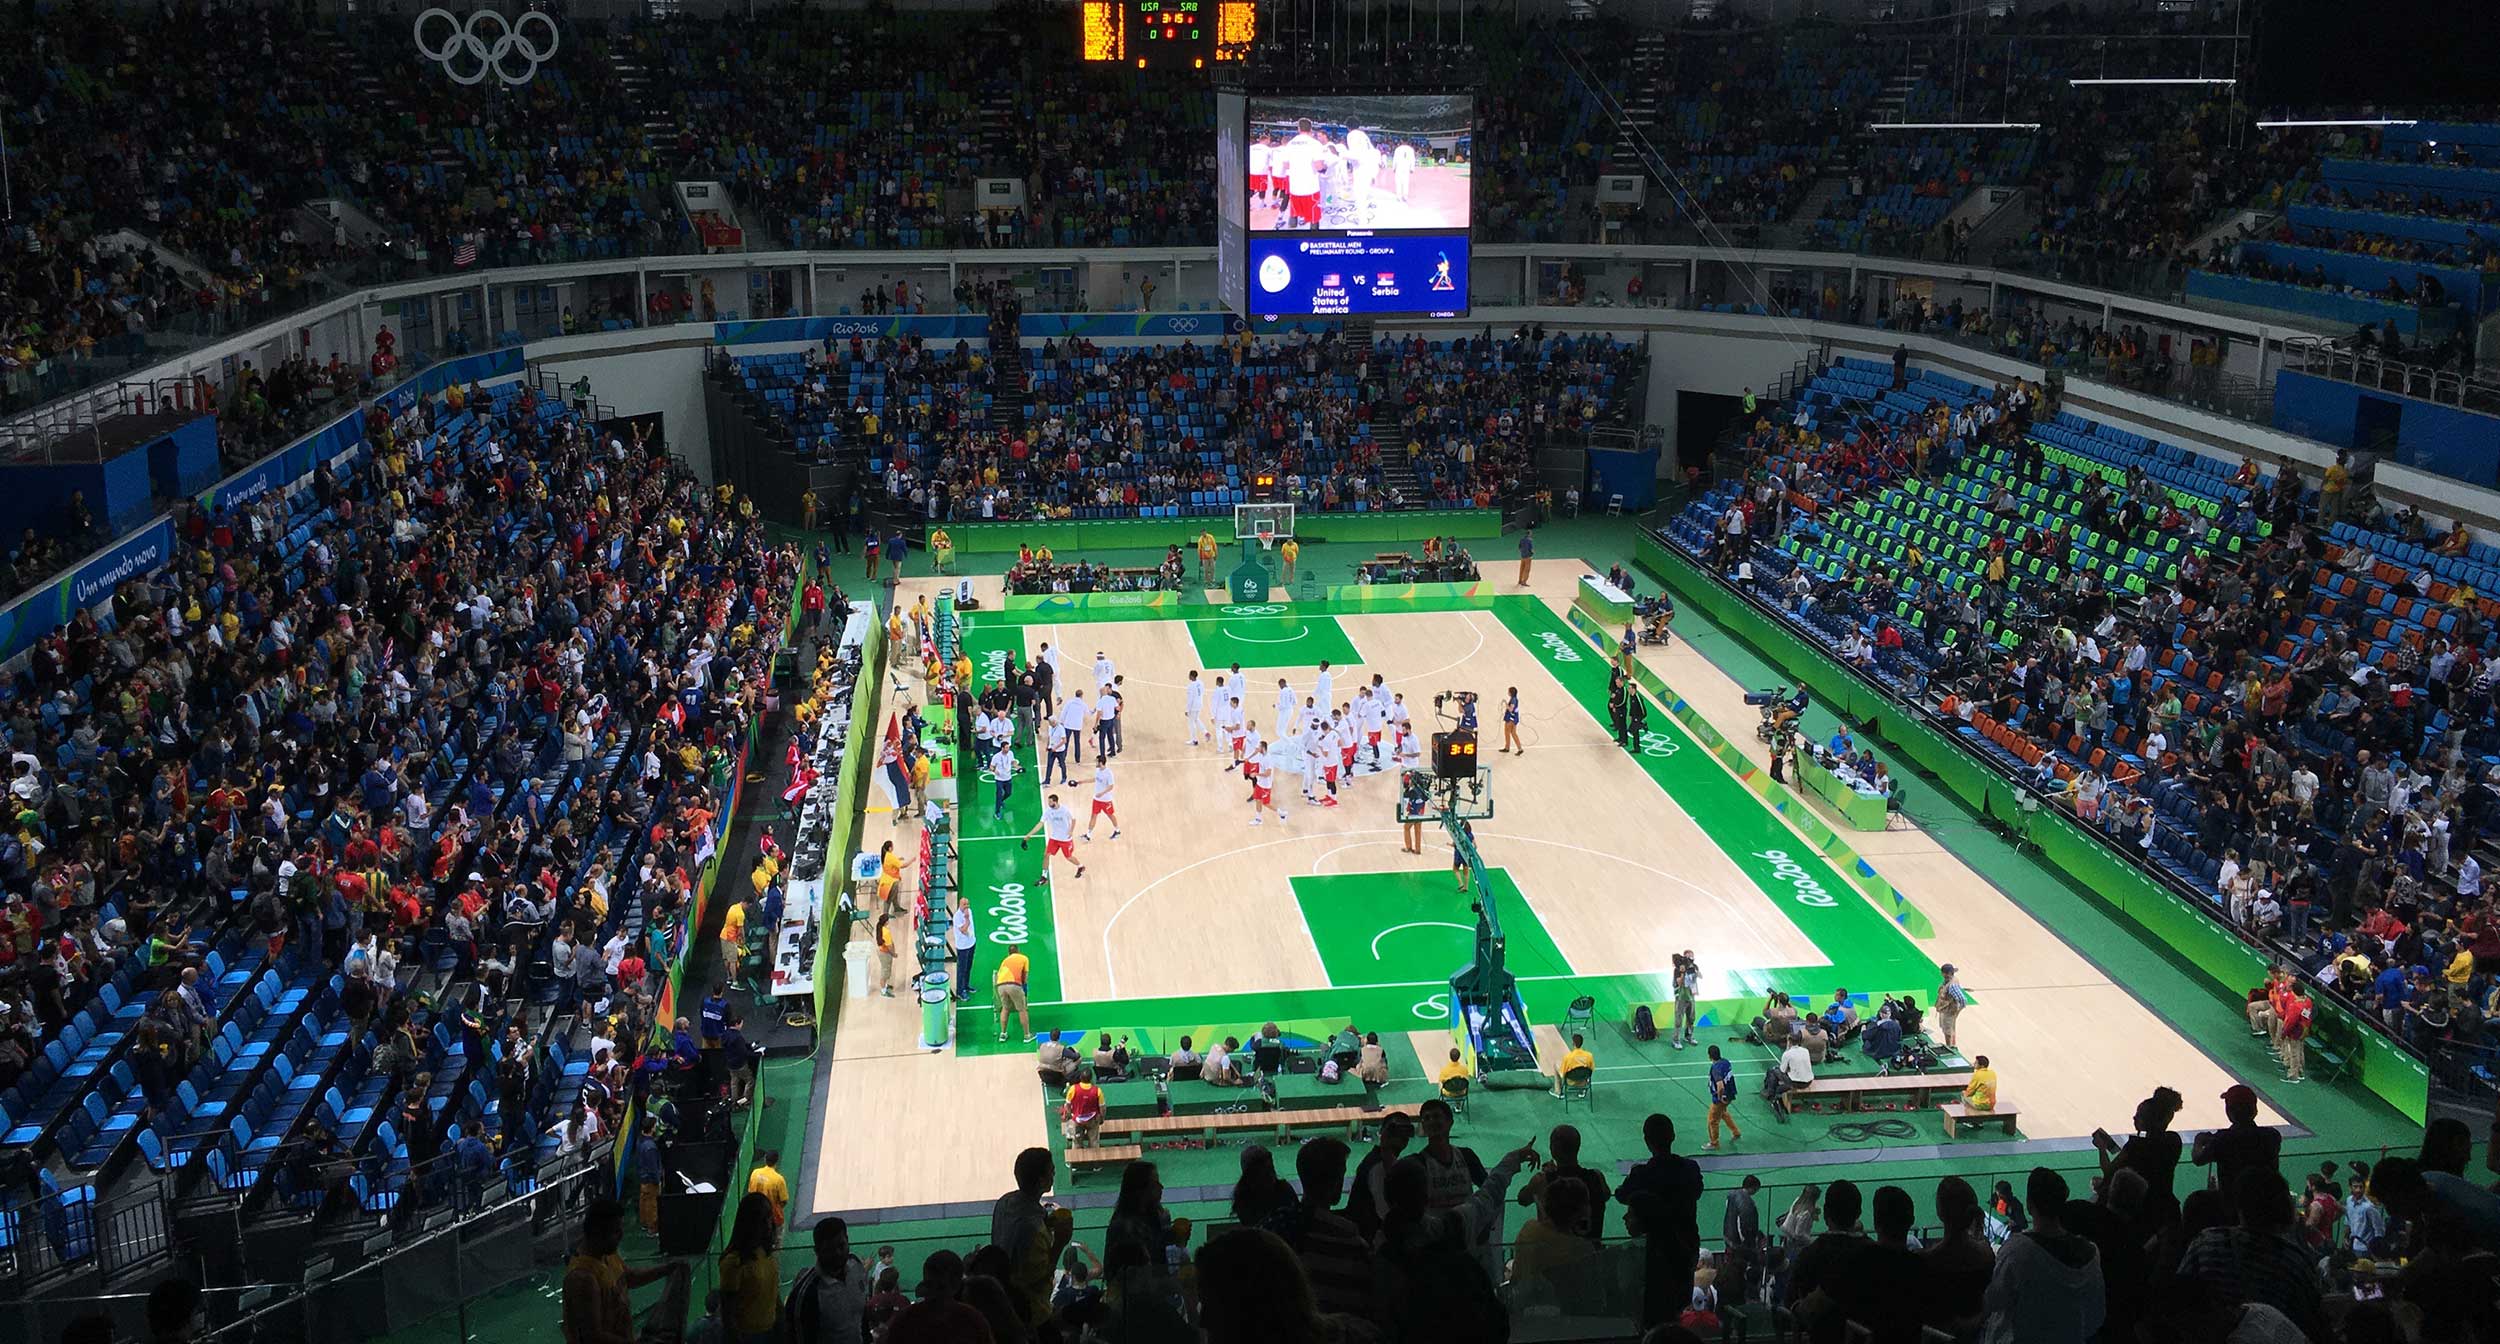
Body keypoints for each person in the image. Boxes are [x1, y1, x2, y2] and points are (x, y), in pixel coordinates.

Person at [2175, 1169, 2324, 1338]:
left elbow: (2179, 1299)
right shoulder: (2295, 1262)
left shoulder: (2207, 1242)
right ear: (2285, 1206)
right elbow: (2310, 1324)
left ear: (2238, 1205)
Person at [1980, 1168, 2103, 1344]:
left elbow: (1993, 1301)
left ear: (2030, 1205)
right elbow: (2096, 1316)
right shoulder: (2091, 1253)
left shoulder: (2017, 1250)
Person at [1617, 1112, 1704, 1330]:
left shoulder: (1642, 1174)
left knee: (1652, 1308)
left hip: (1654, 1252)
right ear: (1673, 1136)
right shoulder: (1690, 1169)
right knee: (1677, 1306)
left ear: (1646, 1140)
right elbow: (1697, 1190)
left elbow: (1621, 1195)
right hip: (1685, 1248)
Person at [561, 1199, 688, 1344]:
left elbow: (628, 1278)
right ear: (597, 1233)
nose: (621, 1236)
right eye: (615, 1231)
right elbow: (593, 1337)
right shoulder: (582, 1278)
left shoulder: (608, 1255)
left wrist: (667, 1268)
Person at [784, 1217, 872, 1344]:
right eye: (829, 1249)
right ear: (817, 1251)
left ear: (847, 1241)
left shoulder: (856, 1267)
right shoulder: (806, 1295)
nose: (837, 1253)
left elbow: (860, 1318)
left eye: (841, 1246)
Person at [2190, 1083, 2282, 1199]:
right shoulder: (2272, 1135)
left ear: (2229, 1111)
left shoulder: (2223, 1139)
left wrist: (2198, 1141)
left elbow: (2198, 1159)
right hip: (2266, 1201)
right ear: (2255, 1110)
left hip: (2232, 1205)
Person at [715, 1193, 783, 1344]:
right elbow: (728, 1313)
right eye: (763, 1218)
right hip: (748, 1337)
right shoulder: (734, 1262)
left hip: (771, 1332)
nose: (769, 1223)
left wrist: (782, 1323)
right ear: (750, 1222)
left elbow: (774, 1295)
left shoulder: (765, 1254)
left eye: (769, 1217)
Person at [1020, 792, 1087, 881]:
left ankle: (1080, 866)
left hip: (1065, 839)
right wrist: (1029, 835)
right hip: (1054, 838)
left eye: (1050, 802)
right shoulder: (1048, 811)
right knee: (1046, 855)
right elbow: (1041, 823)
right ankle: (1044, 877)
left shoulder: (1065, 810)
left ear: (1055, 802)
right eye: (1048, 802)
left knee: (1068, 857)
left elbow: (1073, 819)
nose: (1049, 804)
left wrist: (1071, 831)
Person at [1704, 1045, 1743, 1148]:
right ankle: (1736, 1132)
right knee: (1723, 1113)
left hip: (1722, 1098)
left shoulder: (1715, 1068)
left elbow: (1720, 1086)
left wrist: (1720, 1097)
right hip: (1730, 1094)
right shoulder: (1726, 1062)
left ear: (1709, 1056)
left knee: (1712, 1120)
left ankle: (1714, 1143)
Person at [993, 943, 1031, 1042]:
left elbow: (998, 976)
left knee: (1005, 1008)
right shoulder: (1024, 958)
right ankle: (1027, 1035)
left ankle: (1003, 1034)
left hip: (1000, 985)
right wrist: (1025, 990)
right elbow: (1025, 977)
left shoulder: (1005, 960)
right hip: (1014, 985)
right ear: (1018, 951)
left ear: (1009, 953)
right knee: (1022, 1009)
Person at [1061, 1066, 1105, 1148]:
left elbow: (1067, 1105)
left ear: (1080, 1077)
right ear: (1091, 1078)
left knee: (1077, 1143)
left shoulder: (1073, 1089)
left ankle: (1077, 1160)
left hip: (1077, 1121)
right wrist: (1102, 1118)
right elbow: (1102, 1108)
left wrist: (1071, 1116)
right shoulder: (1097, 1091)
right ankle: (1093, 1159)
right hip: (1092, 1120)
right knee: (1094, 1142)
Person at [747, 1150, 789, 1228]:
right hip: (773, 1218)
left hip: (757, 1215)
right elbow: (784, 1200)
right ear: (776, 1161)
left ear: (765, 1159)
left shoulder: (755, 1173)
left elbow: (750, 1193)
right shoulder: (779, 1179)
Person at [1937, 963, 1968, 1048]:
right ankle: (1952, 1044)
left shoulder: (1952, 985)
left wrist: (1957, 1011)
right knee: (1950, 1028)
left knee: (1947, 1030)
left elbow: (1963, 1000)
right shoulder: (1949, 980)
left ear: (1945, 973)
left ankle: (1949, 1047)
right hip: (1947, 1009)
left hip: (1949, 1011)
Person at [1499, 686, 1523, 754]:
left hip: (1510, 719)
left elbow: (1510, 709)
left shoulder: (1513, 700)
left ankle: (1507, 748)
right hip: (1514, 719)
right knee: (1513, 733)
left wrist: (1505, 703)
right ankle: (1520, 748)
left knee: (1507, 733)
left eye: (1508, 691)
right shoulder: (1514, 699)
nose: (1508, 692)